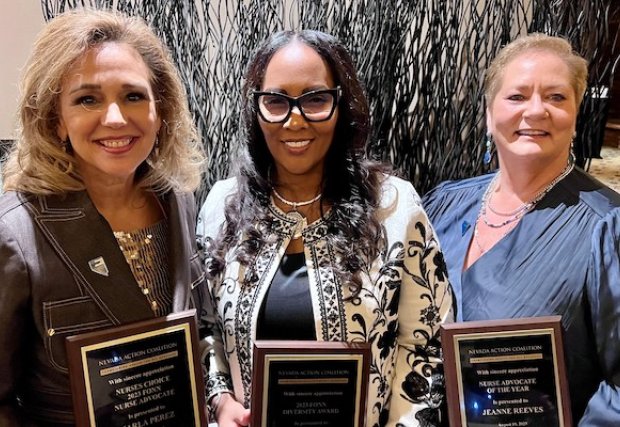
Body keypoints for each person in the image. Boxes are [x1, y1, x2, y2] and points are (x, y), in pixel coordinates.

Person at [196, 29, 453, 427]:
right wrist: (221, 400)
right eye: (276, 101)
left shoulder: (395, 207)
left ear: (341, 105)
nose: (295, 120)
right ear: (257, 109)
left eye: (316, 99)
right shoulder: (222, 207)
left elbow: (427, 343)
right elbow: (206, 327)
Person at [0, 9, 207, 425]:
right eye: (87, 99)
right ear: (56, 119)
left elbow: (200, 331)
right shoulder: (14, 233)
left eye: (133, 96)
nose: (115, 118)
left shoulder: (178, 200)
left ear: (159, 110)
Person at [423, 33, 620, 425]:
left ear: (577, 114)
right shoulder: (442, 203)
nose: (536, 110)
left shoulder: (607, 227)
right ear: (488, 113)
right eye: (517, 97)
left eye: (556, 97)